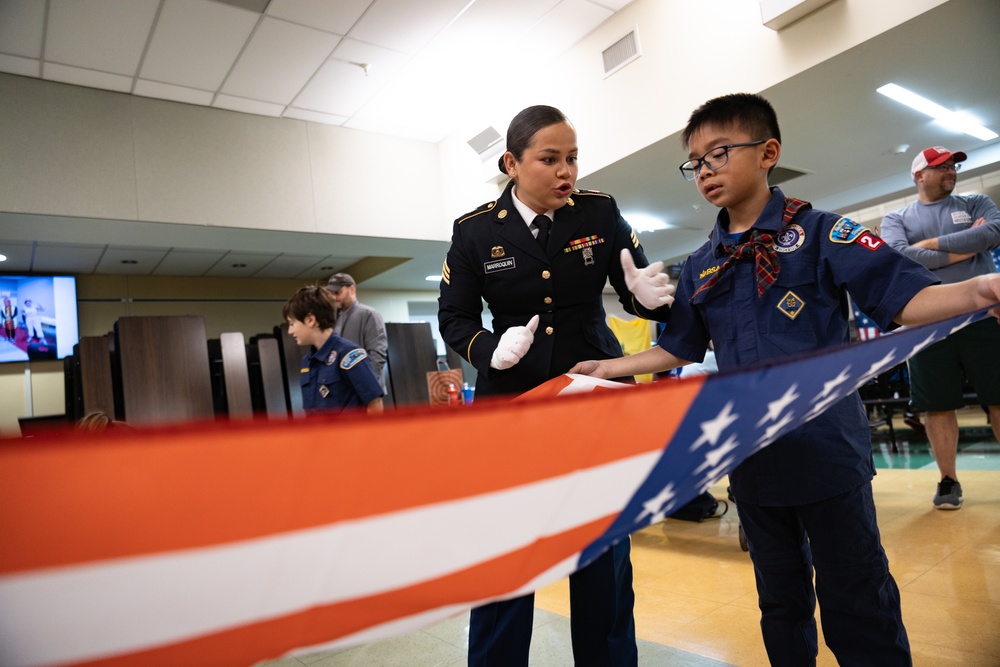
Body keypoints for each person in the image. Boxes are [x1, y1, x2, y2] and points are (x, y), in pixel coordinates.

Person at [569, 93, 1000, 666]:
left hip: (827, 453)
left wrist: (978, 290)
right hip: (752, 460)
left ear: (768, 152)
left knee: (857, 597)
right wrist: (610, 367)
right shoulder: (702, 263)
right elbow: (678, 347)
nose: (705, 171)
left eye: (719, 154)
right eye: (695, 162)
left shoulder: (825, 232)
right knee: (780, 603)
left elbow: (904, 297)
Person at [438, 104, 674, 667]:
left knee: (602, 551)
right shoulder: (473, 233)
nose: (566, 170)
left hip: (592, 392)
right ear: (511, 163)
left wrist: (644, 294)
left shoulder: (599, 211)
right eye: (550, 159)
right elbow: (455, 317)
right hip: (511, 403)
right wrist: (488, 349)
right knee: (507, 553)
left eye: (572, 158)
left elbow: (633, 279)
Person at [879, 146, 1000, 509]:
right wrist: (967, 248)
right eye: (941, 166)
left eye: (953, 166)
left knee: (998, 397)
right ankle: (948, 480)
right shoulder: (896, 218)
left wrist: (929, 246)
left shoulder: (977, 202)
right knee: (937, 405)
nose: (951, 171)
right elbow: (897, 255)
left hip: (984, 316)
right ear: (919, 175)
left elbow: (992, 233)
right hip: (928, 321)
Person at [282, 285, 384, 415]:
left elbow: (374, 403)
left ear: (310, 320)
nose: (290, 331)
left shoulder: (349, 354)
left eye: (292, 324)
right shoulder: (307, 362)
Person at [326, 273, 388, 389]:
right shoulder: (334, 319)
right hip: (343, 391)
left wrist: (366, 385)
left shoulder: (369, 314)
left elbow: (377, 355)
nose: (334, 297)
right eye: (331, 294)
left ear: (352, 289)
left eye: (337, 293)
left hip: (365, 390)